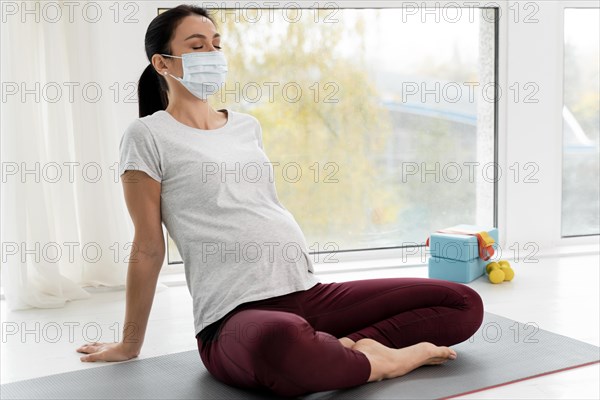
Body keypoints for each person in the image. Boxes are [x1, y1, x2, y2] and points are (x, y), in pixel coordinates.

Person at [76, 4, 484, 398]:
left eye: (217, 44)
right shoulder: (146, 135)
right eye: (197, 46)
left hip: (307, 293)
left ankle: (346, 347)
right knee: (280, 341)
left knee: (461, 302)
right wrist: (129, 345)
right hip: (233, 317)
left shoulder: (245, 127)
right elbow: (148, 245)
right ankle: (385, 362)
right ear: (162, 63)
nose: (213, 54)